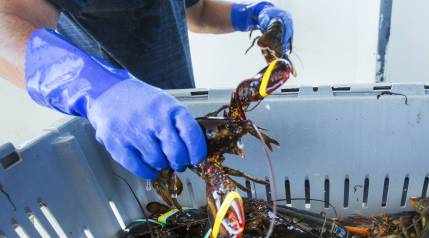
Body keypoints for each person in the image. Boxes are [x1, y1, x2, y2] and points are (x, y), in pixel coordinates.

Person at [0, 0, 293, 180]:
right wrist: (93, 89)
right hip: (117, 141)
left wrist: (251, 14)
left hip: (182, 116)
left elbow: (198, 12)